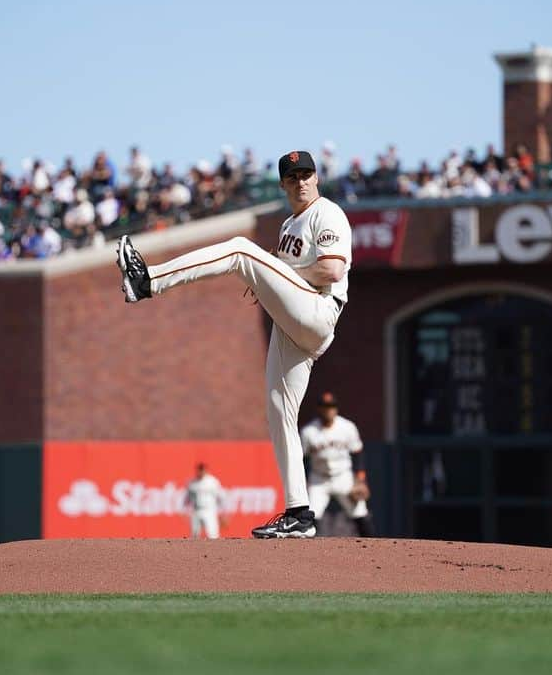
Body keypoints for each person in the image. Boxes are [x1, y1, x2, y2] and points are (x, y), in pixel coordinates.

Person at [116, 149, 351, 539]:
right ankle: (299, 514)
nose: (301, 182)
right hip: (293, 324)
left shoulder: (327, 213)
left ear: (317, 178)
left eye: (307, 174)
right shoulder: (290, 225)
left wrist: (276, 274)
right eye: (293, 177)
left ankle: (148, 280)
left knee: (240, 250)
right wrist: (274, 283)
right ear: (283, 184)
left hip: (319, 310)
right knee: (279, 415)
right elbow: (292, 274)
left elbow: (331, 268)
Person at [300, 392, 373, 537]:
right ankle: (309, 553)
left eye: (331, 406)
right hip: (319, 479)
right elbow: (302, 459)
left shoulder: (347, 427)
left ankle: (375, 548)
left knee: (360, 514)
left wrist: (360, 479)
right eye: (325, 406)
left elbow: (358, 453)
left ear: (336, 408)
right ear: (319, 409)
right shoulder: (309, 431)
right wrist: (305, 481)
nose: (329, 409)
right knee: (312, 517)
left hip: (343, 476)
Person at [184, 463, 226, 539]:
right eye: (199, 469)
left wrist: (223, 514)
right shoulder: (192, 483)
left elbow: (221, 497)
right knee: (195, 535)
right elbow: (187, 500)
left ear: (206, 470)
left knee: (213, 535)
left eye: (202, 469)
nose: (201, 472)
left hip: (209, 511)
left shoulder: (212, 482)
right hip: (196, 511)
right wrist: (186, 512)